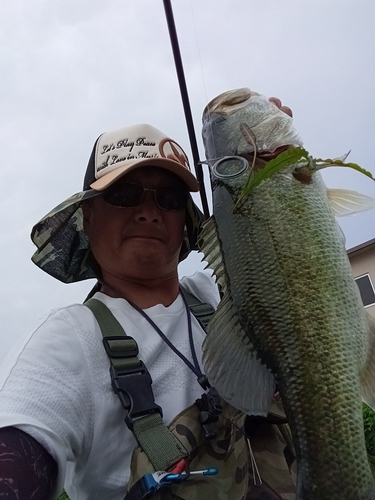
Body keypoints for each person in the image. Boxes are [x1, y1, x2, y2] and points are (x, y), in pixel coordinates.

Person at [0, 100, 294, 500]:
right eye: (125, 194)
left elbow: (288, 262)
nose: (149, 211)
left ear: (185, 221)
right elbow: (20, 448)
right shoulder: (68, 340)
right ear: (88, 216)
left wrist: (270, 165)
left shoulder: (222, 293)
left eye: (169, 198)